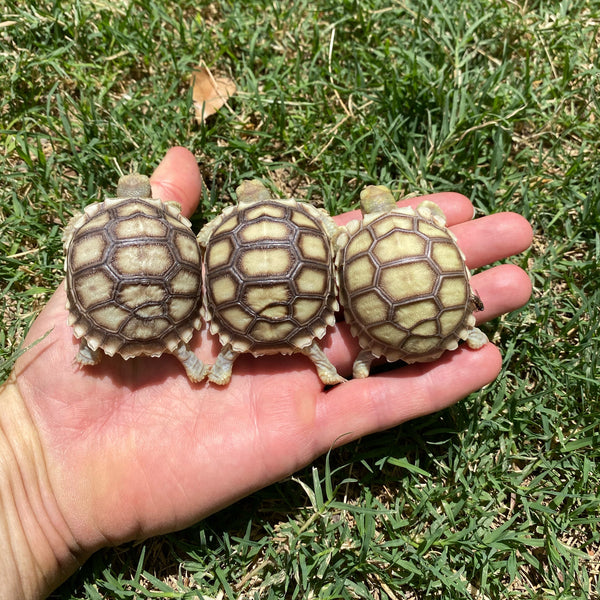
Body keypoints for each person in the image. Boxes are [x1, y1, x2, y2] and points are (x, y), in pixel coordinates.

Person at [0, 147, 533, 599]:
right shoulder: (336, 235)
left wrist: (31, 490)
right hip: (302, 305)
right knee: (336, 325)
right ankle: (448, 331)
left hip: (218, 312)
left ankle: (217, 353)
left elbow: (191, 255)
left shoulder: (163, 229)